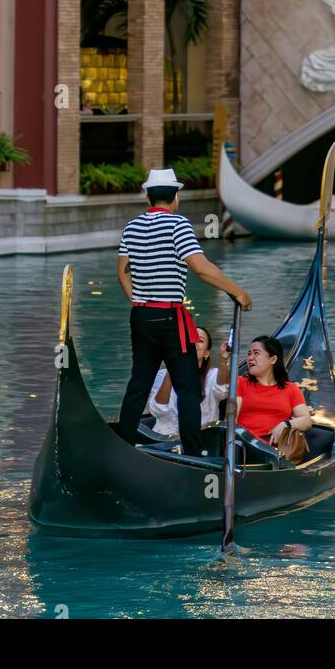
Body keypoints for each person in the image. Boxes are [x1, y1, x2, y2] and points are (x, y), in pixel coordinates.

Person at [117, 167, 252, 457]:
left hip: (140, 316)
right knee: (188, 385)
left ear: (147, 196)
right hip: (169, 318)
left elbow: (123, 274)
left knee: (138, 383)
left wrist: (140, 301)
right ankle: (193, 453)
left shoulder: (132, 227)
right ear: (176, 197)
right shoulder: (178, 225)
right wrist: (237, 291)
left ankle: (123, 446)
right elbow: (202, 268)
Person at [146, 326, 228, 438]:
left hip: (202, 439)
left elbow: (222, 390)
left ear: (207, 353)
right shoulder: (161, 375)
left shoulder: (213, 375)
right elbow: (157, 411)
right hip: (164, 440)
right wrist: (171, 370)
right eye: (189, 339)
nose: (193, 343)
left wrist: (223, 359)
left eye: (200, 340)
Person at [236, 335, 312, 453]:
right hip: (243, 448)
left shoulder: (290, 389)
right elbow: (231, 420)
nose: (250, 358)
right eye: (249, 354)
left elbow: (306, 420)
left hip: (276, 451)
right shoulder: (240, 382)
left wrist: (285, 424)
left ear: (273, 359)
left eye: (256, 353)